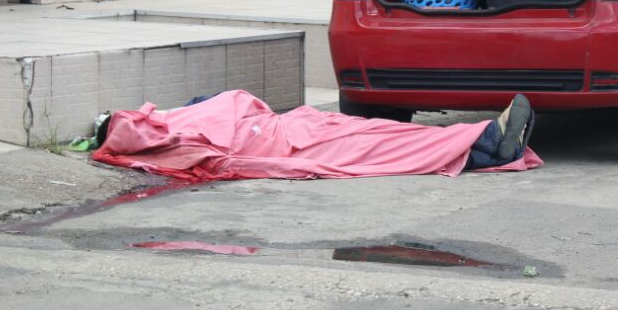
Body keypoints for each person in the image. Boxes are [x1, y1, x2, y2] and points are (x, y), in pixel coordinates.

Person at [91, 90, 538, 182]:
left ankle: (483, 138)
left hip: (292, 127)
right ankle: (486, 145)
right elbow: (218, 156)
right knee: (379, 146)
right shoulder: (170, 141)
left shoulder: (177, 119)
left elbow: (237, 106)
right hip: (285, 139)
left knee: (378, 134)